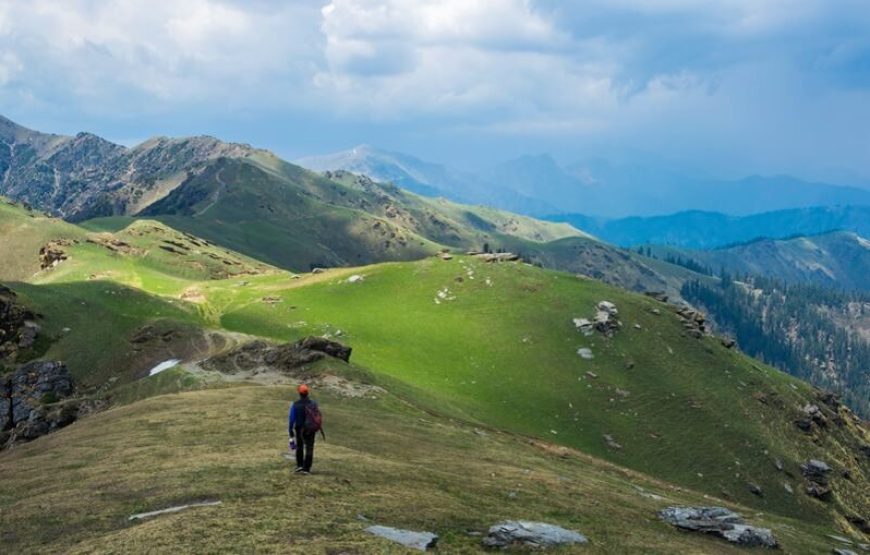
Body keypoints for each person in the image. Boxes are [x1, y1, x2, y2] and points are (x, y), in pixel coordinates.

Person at [288, 384, 318, 474]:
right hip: (311, 429)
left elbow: (291, 418)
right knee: (309, 447)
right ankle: (307, 468)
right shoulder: (313, 403)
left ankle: (300, 465)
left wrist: (290, 430)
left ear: (299, 393)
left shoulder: (295, 404)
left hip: (299, 428)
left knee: (300, 447)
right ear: (307, 393)